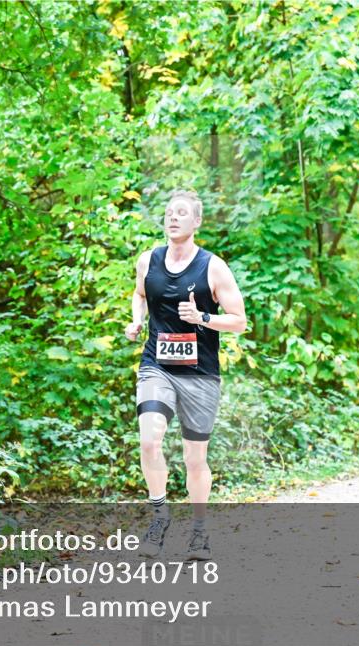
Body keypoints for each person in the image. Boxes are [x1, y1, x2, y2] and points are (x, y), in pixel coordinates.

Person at [125, 190, 247, 560]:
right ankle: (159, 516)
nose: (173, 217)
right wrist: (137, 320)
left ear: (197, 222)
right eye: (169, 212)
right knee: (149, 440)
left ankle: (199, 531)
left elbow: (239, 321)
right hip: (157, 366)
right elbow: (139, 294)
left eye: (181, 213)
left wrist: (203, 318)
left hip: (200, 374)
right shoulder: (148, 260)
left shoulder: (213, 267)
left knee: (195, 459)